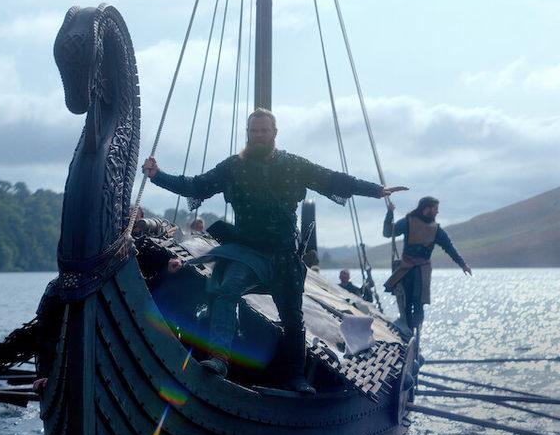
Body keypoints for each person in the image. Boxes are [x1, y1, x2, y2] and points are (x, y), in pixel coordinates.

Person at [145, 107, 406, 393]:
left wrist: (375, 190)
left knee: (292, 316)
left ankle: (295, 376)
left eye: (264, 131)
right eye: (253, 131)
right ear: (248, 134)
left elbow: (332, 179)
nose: (258, 135)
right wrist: (158, 175)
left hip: (283, 255)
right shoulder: (233, 167)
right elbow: (196, 185)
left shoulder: (293, 165)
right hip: (247, 251)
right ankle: (219, 358)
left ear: (274, 133)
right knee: (227, 288)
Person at [382, 196, 471, 334]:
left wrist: (463, 265)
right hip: (406, 269)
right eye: (435, 209)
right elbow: (388, 232)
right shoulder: (408, 222)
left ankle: (416, 334)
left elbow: (449, 248)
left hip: (422, 271)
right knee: (406, 300)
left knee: (419, 303)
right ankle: (408, 331)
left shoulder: (436, 230)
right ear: (426, 209)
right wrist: (389, 213)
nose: (437, 212)